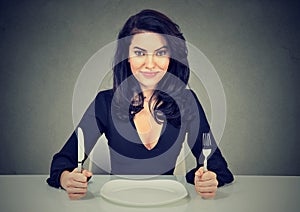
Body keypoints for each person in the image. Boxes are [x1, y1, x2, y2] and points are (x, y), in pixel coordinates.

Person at [47, 9, 234, 200]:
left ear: (172, 57)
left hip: (168, 203)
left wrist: (204, 178)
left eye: (160, 52)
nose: (150, 64)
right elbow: (63, 161)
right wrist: (67, 179)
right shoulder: (104, 102)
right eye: (139, 53)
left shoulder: (187, 101)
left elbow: (217, 167)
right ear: (126, 56)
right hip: (117, 203)